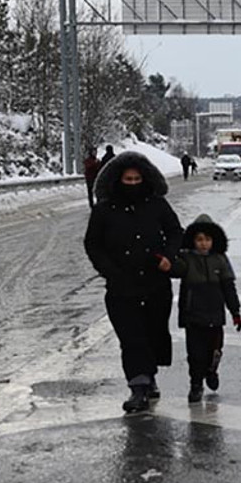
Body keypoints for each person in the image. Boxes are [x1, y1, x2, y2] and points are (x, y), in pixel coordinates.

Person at [84, 151, 183, 413]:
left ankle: (148, 377)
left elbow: (175, 232)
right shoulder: (104, 210)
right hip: (121, 285)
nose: (132, 184)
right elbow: (92, 244)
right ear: (118, 180)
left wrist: (169, 258)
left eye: (137, 178)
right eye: (127, 179)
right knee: (131, 338)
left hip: (155, 283)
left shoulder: (157, 204)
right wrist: (109, 271)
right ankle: (137, 387)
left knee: (153, 334)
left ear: (145, 178)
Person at [157, 214, 241, 401]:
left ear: (214, 240)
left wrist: (235, 311)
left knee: (215, 350)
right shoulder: (187, 259)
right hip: (193, 315)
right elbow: (176, 270)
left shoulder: (220, 260)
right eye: (199, 240)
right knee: (195, 354)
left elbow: (229, 287)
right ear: (193, 241)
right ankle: (196, 384)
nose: (203, 244)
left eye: (208, 240)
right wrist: (166, 262)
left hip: (215, 316)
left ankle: (212, 371)